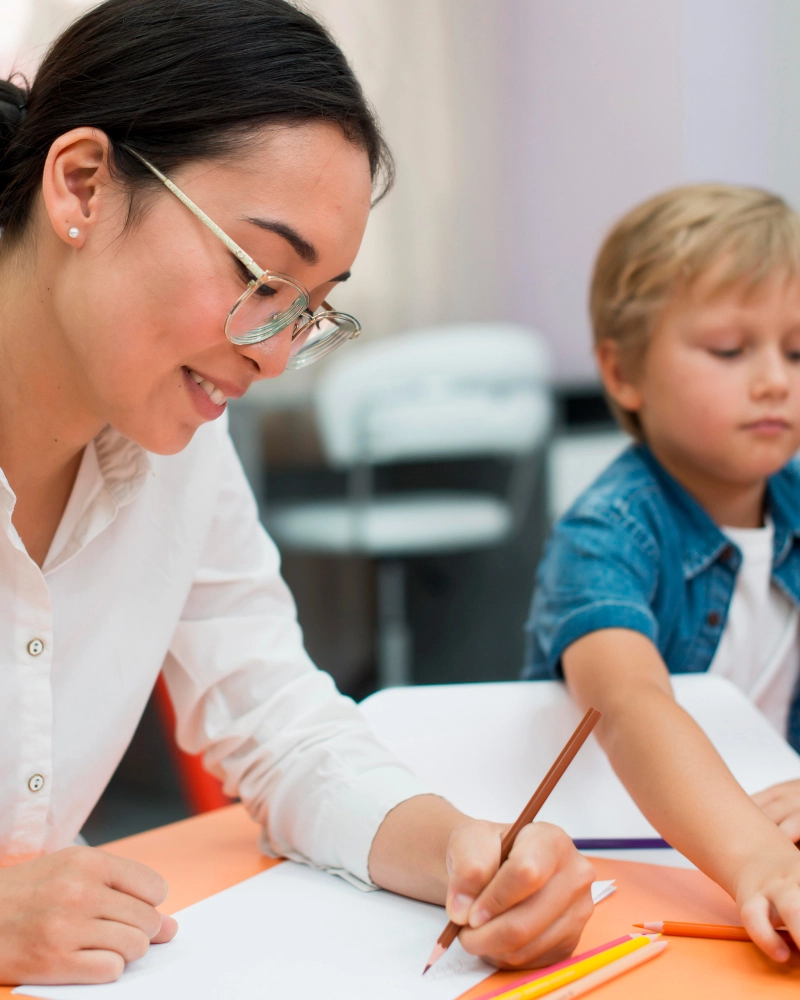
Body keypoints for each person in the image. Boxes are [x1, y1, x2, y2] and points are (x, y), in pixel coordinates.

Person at [0, 0, 596, 987]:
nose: (273, 354)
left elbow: (276, 721)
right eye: (259, 275)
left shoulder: (176, 448)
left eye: (309, 308)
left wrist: (458, 851)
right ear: (84, 185)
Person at [524, 183, 800, 962]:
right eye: (730, 350)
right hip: (627, 869)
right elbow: (628, 702)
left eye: (797, 349)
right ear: (623, 372)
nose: (776, 378)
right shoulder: (605, 533)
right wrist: (760, 858)